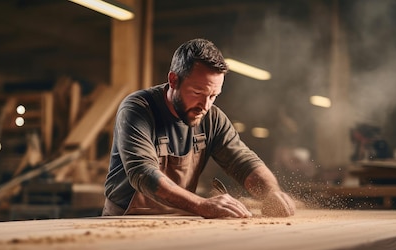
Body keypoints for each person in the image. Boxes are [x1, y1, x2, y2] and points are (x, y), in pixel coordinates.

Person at [102, 38, 295, 218]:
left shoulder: (212, 119)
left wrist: (271, 193)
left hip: (178, 219)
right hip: (125, 219)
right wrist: (201, 205)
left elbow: (243, 162)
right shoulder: (138, 109)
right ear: (173, 80)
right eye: (197, 92)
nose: (205, 105)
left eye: (213, 96)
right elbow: (143, 173)